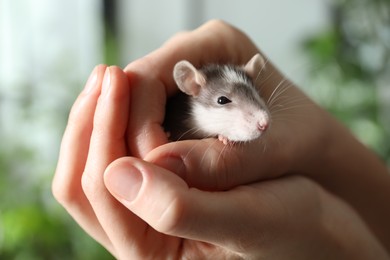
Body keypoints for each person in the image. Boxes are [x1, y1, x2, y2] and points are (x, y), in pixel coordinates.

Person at [52, 20, 390, 259]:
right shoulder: (178, 118)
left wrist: (329, 147)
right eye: (225, 102)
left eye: (255, 96)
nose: (262, 119)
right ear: (191, 86)